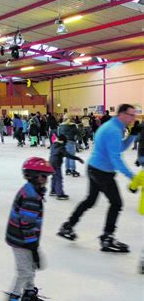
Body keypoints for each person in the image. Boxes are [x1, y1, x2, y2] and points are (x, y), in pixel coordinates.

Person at [58, 104, 140, 253]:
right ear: (122, 114)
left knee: (90, 200)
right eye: (131, 115)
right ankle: (107, 238)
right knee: (116, 203)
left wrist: (133, 135)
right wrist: (133, 178)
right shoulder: (113, 130)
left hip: (94, 168)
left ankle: (68, 226)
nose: (133, 118)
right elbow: (116, 158)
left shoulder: (114, 126)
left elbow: (119, 147)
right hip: (102, 171)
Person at [5, 157, 54, 301]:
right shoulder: (31, 196)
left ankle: (29, 294)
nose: (46, 179)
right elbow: (26, 224)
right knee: (24, 271)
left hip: (24, 238)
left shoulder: (32, 190)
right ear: (33, 176)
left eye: (47, 176)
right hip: (21, 240)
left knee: (30, 267)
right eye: (43, 176)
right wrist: (33, 248)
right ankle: (13, 300)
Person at [49, 135, 84, 200]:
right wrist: (78, 158)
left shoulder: (54, 144)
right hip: (56, 164)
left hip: (51, 162)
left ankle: (53, 190)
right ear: (63, 141)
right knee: (59, 178)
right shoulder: (61, 147)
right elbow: (68, 155)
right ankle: (60, 194)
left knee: (54, 177)